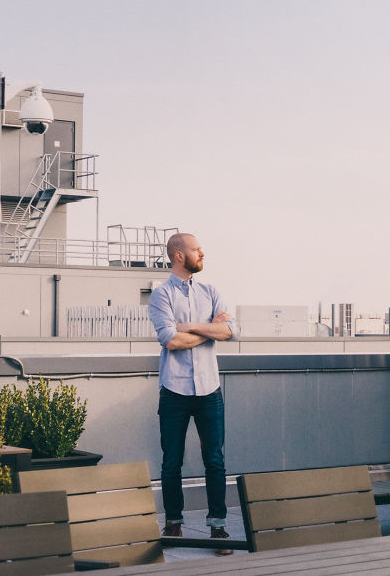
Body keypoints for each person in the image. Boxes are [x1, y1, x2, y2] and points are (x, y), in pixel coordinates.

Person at [148, 232, 236, 555]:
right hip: (174, 391)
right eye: (197, 249)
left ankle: (218, 528)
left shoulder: (210, 291)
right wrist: (206, 328)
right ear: (179, 255)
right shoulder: (161, 296)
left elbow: (229, 331)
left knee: (215, 460)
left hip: (209, 391)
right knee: (171, 462)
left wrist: (190, 327)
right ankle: (173, 523)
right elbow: (170, 341)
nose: (203, 252)